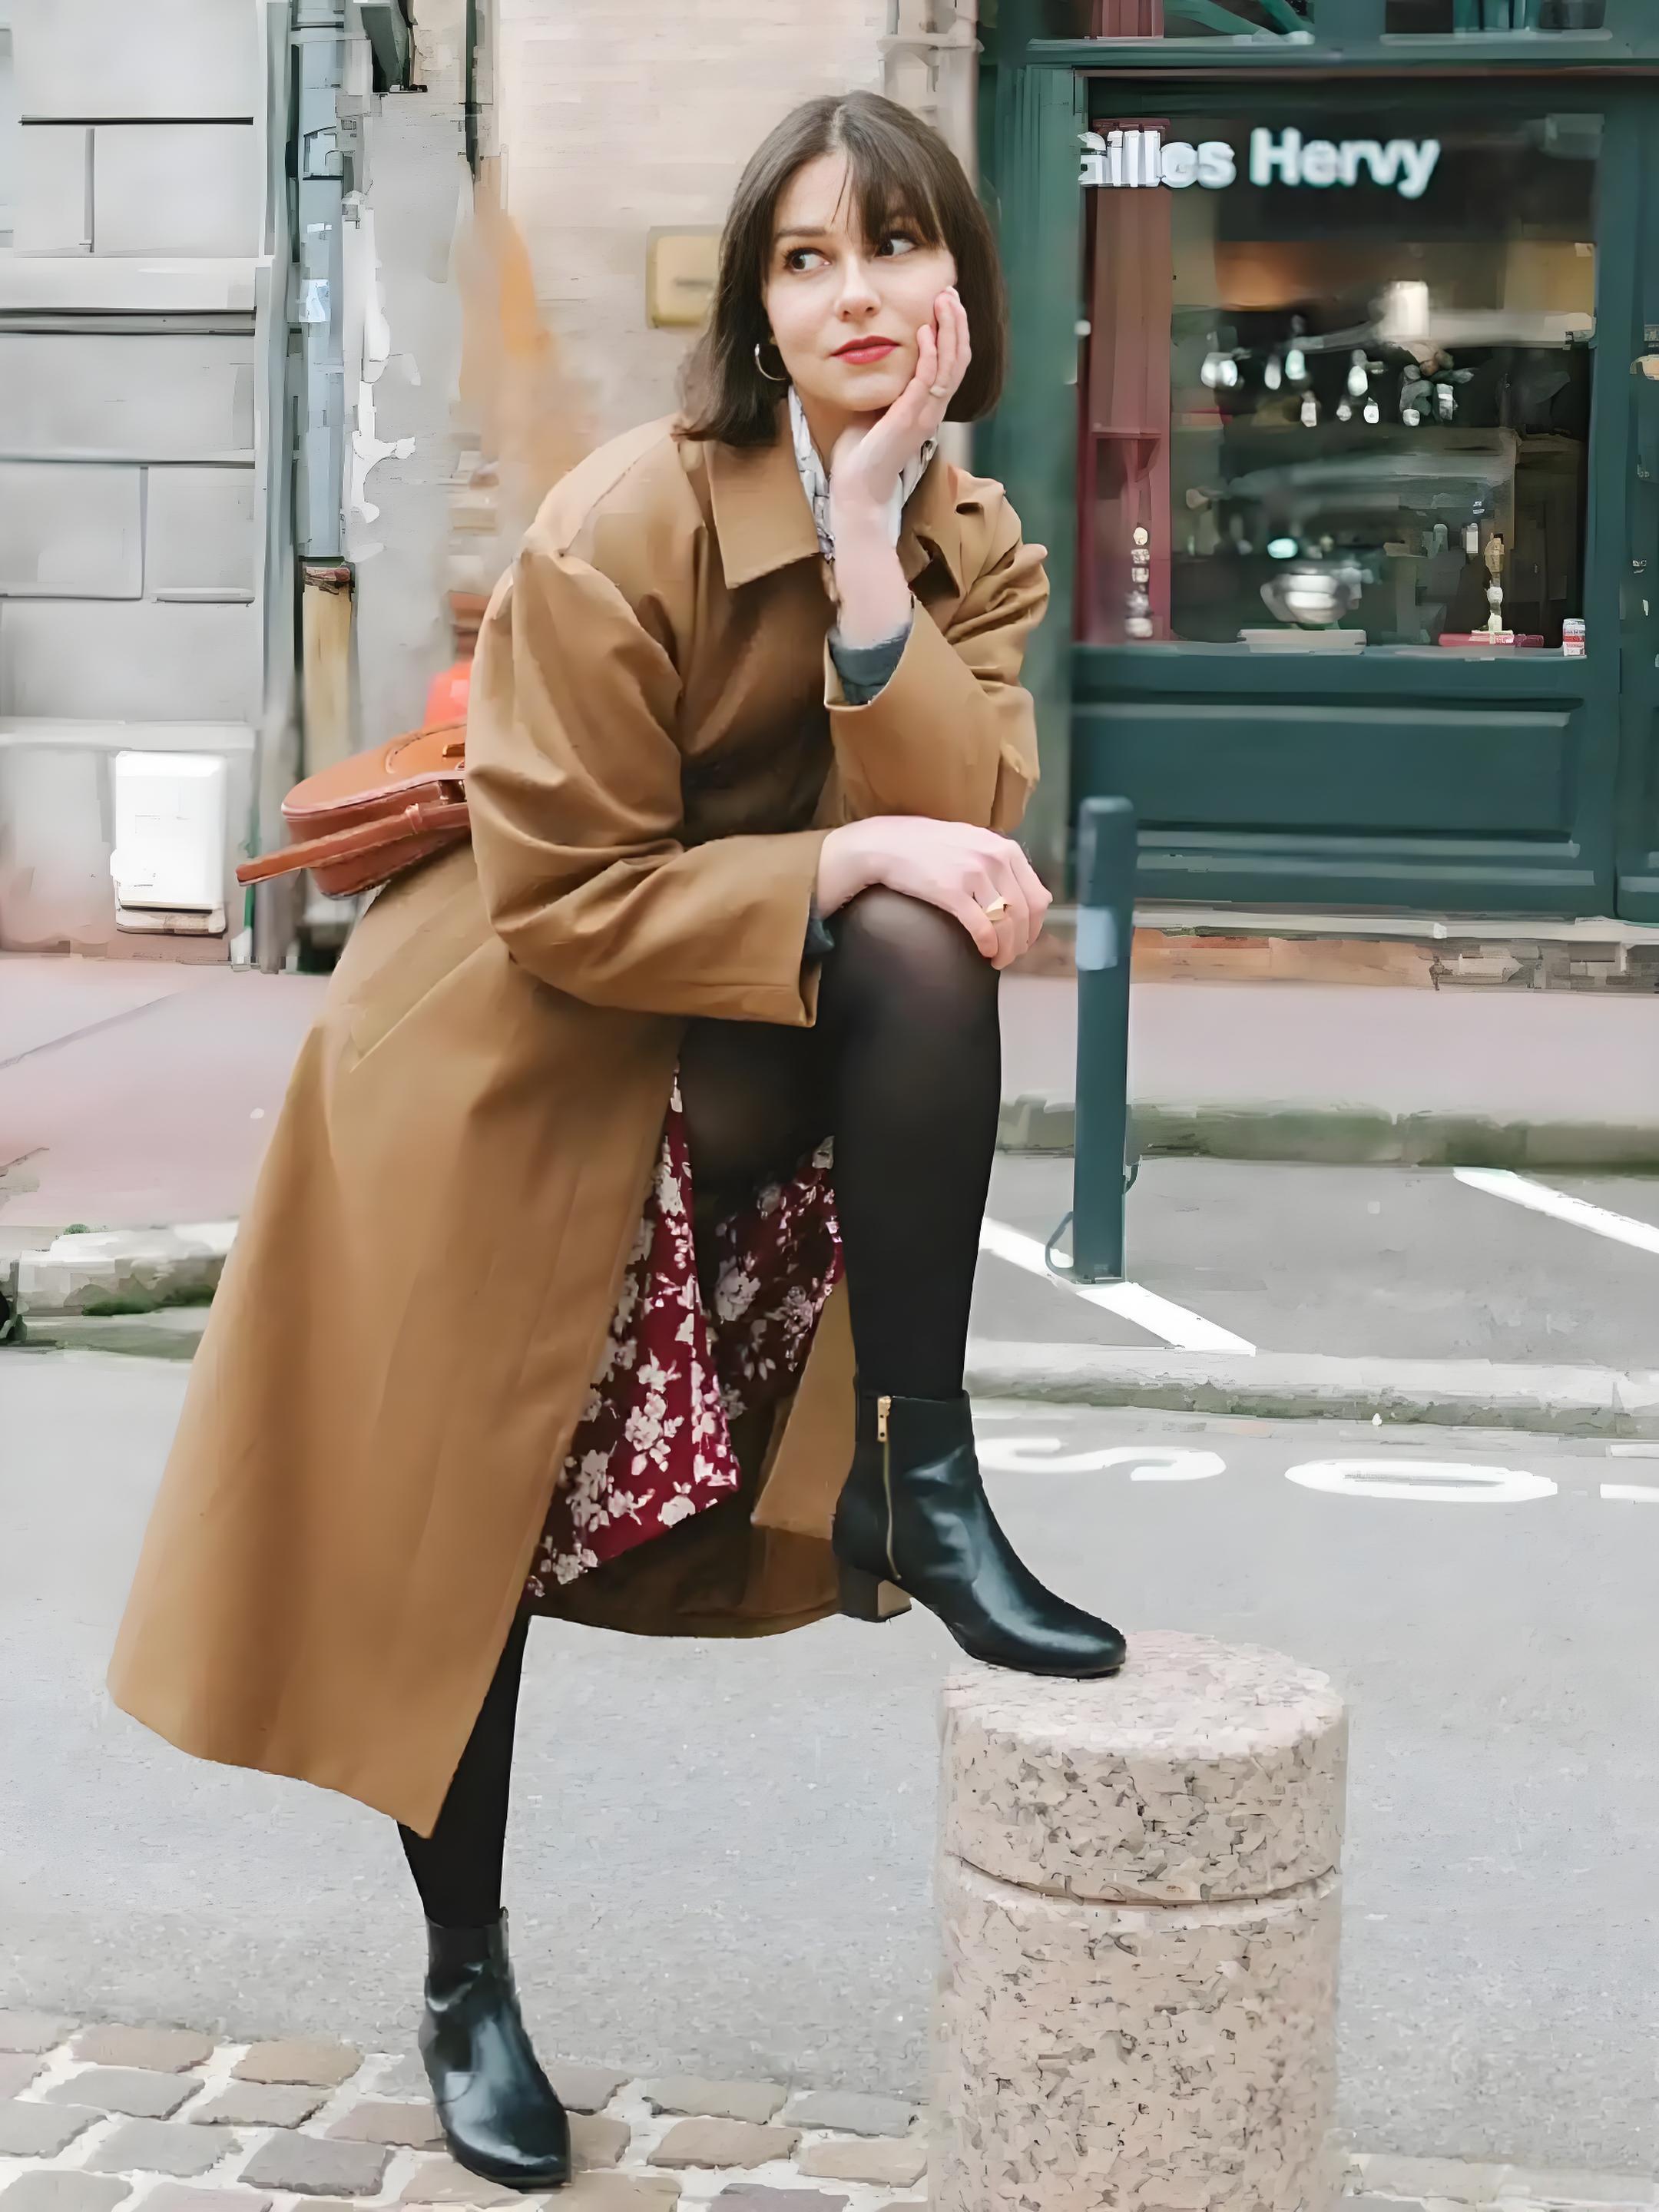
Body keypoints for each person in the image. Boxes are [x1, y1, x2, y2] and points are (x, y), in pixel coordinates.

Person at [107, 88, 1124, 2194]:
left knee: (931, 954)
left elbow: (977, 823)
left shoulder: (970, 545)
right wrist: (857, 847)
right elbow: (568, 900)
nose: (861, 290)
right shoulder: (621, 517)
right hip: (498, 1052)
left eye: (901, 245)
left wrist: (862, 558)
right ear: (758, 309)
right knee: (452, 1546)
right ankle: (465, 1976)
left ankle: (927, 1493)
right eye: (807, 255)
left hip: (722, 1031)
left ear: (964, 285)